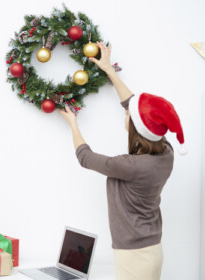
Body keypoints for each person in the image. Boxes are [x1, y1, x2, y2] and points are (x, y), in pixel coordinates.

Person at [59, 42, 186, 280]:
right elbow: (135, 105)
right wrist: (109, 70)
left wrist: (73, 124)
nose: (126, 112)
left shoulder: (129, 166)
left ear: (138, 128)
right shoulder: (165, 151)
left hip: (135, 255)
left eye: (129, 114)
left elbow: (84, 157)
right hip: (149, 249)